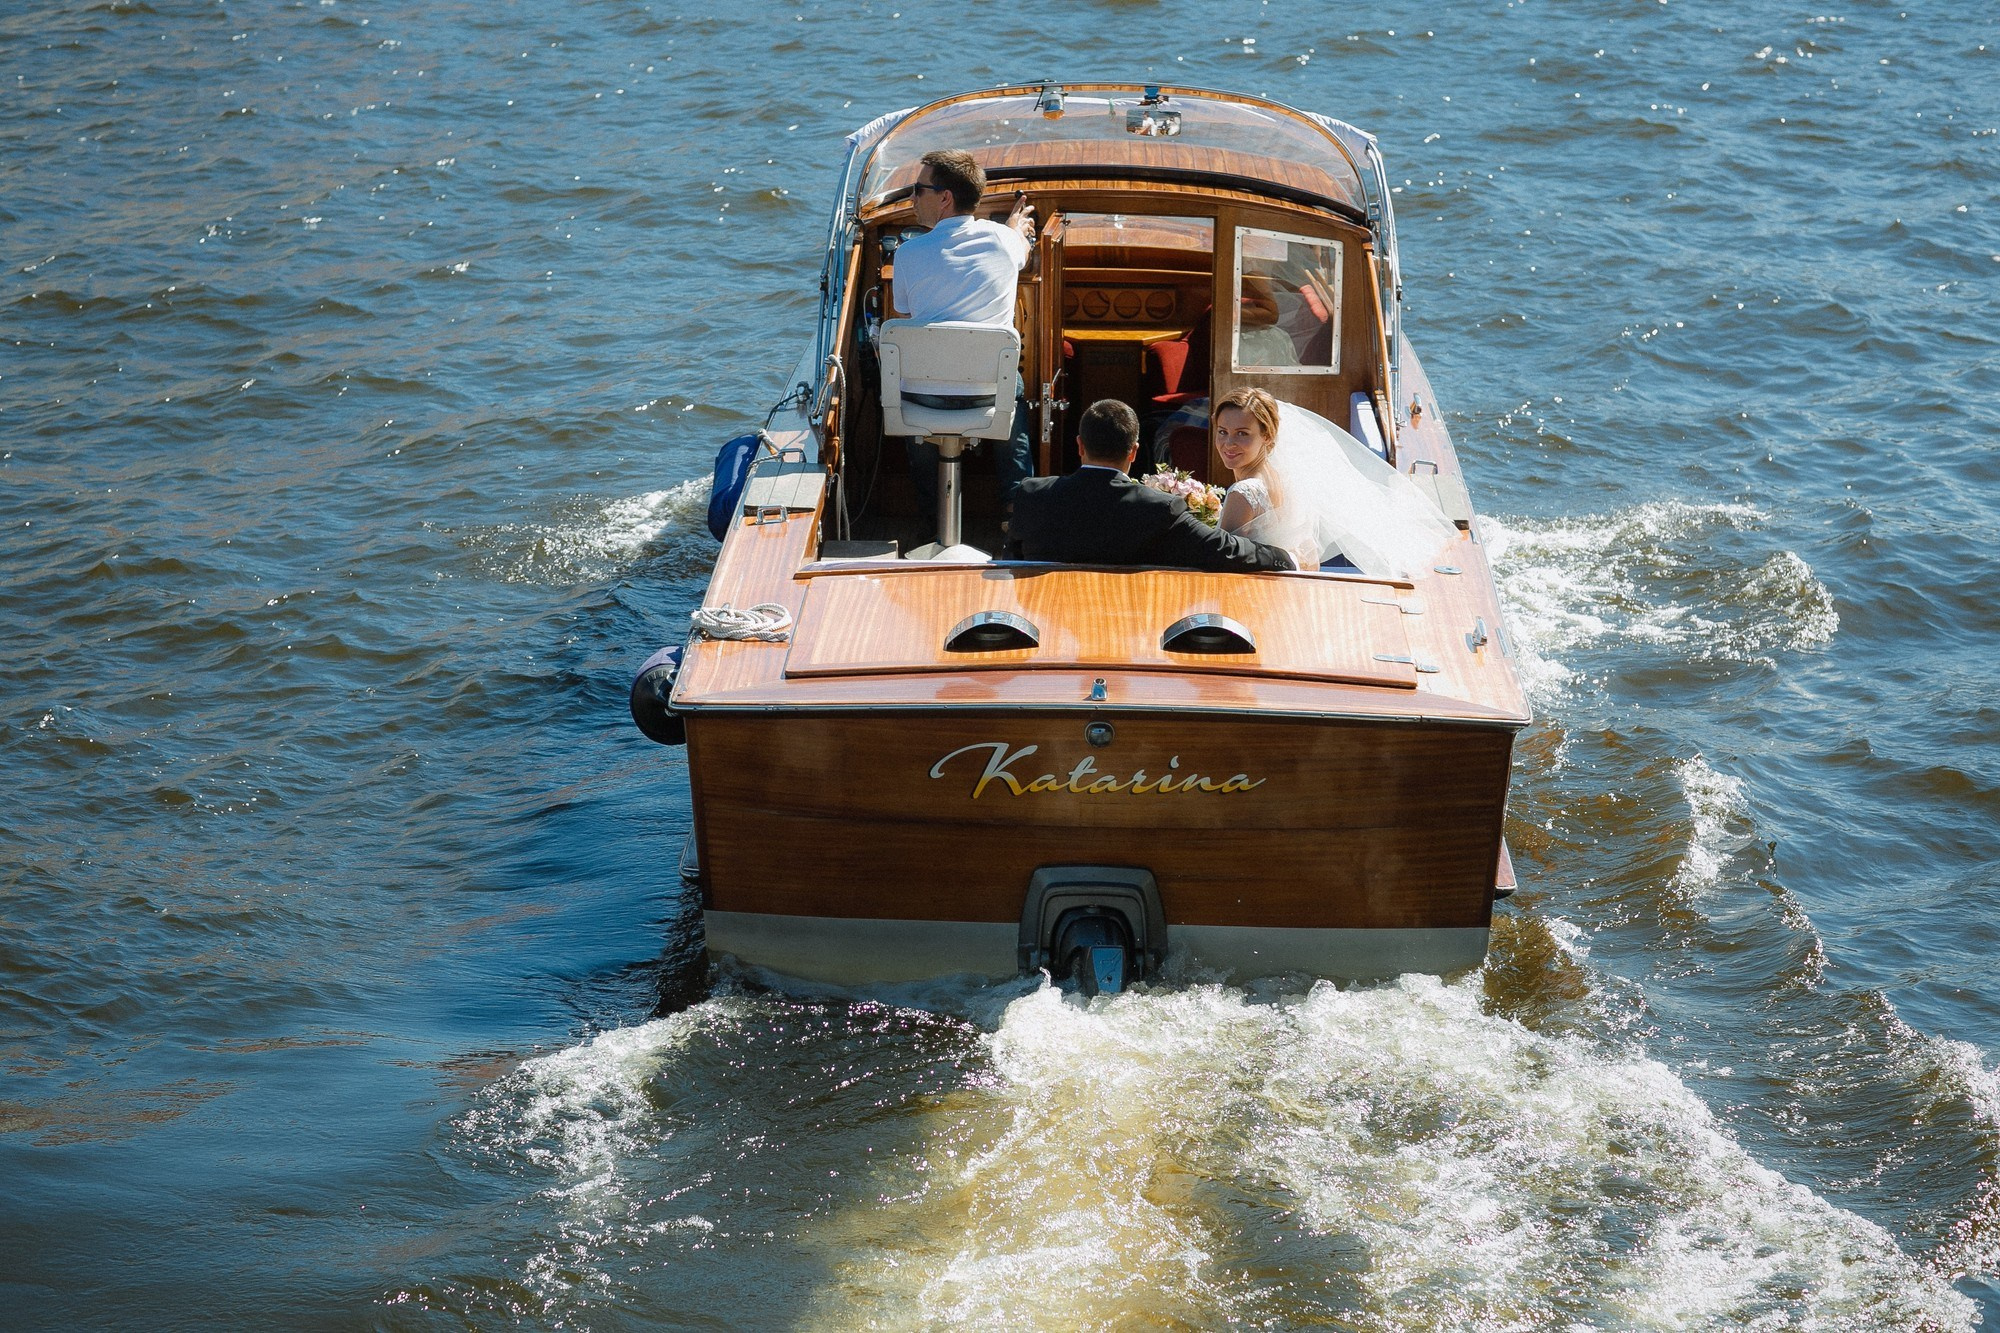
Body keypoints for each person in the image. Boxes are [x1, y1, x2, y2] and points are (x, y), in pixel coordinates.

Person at [891, 149, 1037, 522]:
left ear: (944, 198)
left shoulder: (907, 254)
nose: (911, 198)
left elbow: (904, 314)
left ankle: (931, 516)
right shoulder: (1006, 242)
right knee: (1013, 388)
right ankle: (1016, 509)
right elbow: (1021, 244)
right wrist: (1015, 227)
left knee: (910, 385)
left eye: (917, 190)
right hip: (990, 397)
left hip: (925, 404)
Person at [1006, 399, 1294, 572]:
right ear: (1134, 452)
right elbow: (1224, 551)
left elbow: (1013, 563)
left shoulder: (1030, 496)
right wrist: (1284, 558)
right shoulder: (1160, 508)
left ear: (1079, 446)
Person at [1212, 386, 1460, 579]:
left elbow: (1221, 558)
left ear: (1266, 436)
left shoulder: (1244, 492)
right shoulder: (1280, 475)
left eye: (1242, 434)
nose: (1228, 443)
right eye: (1222, 431)